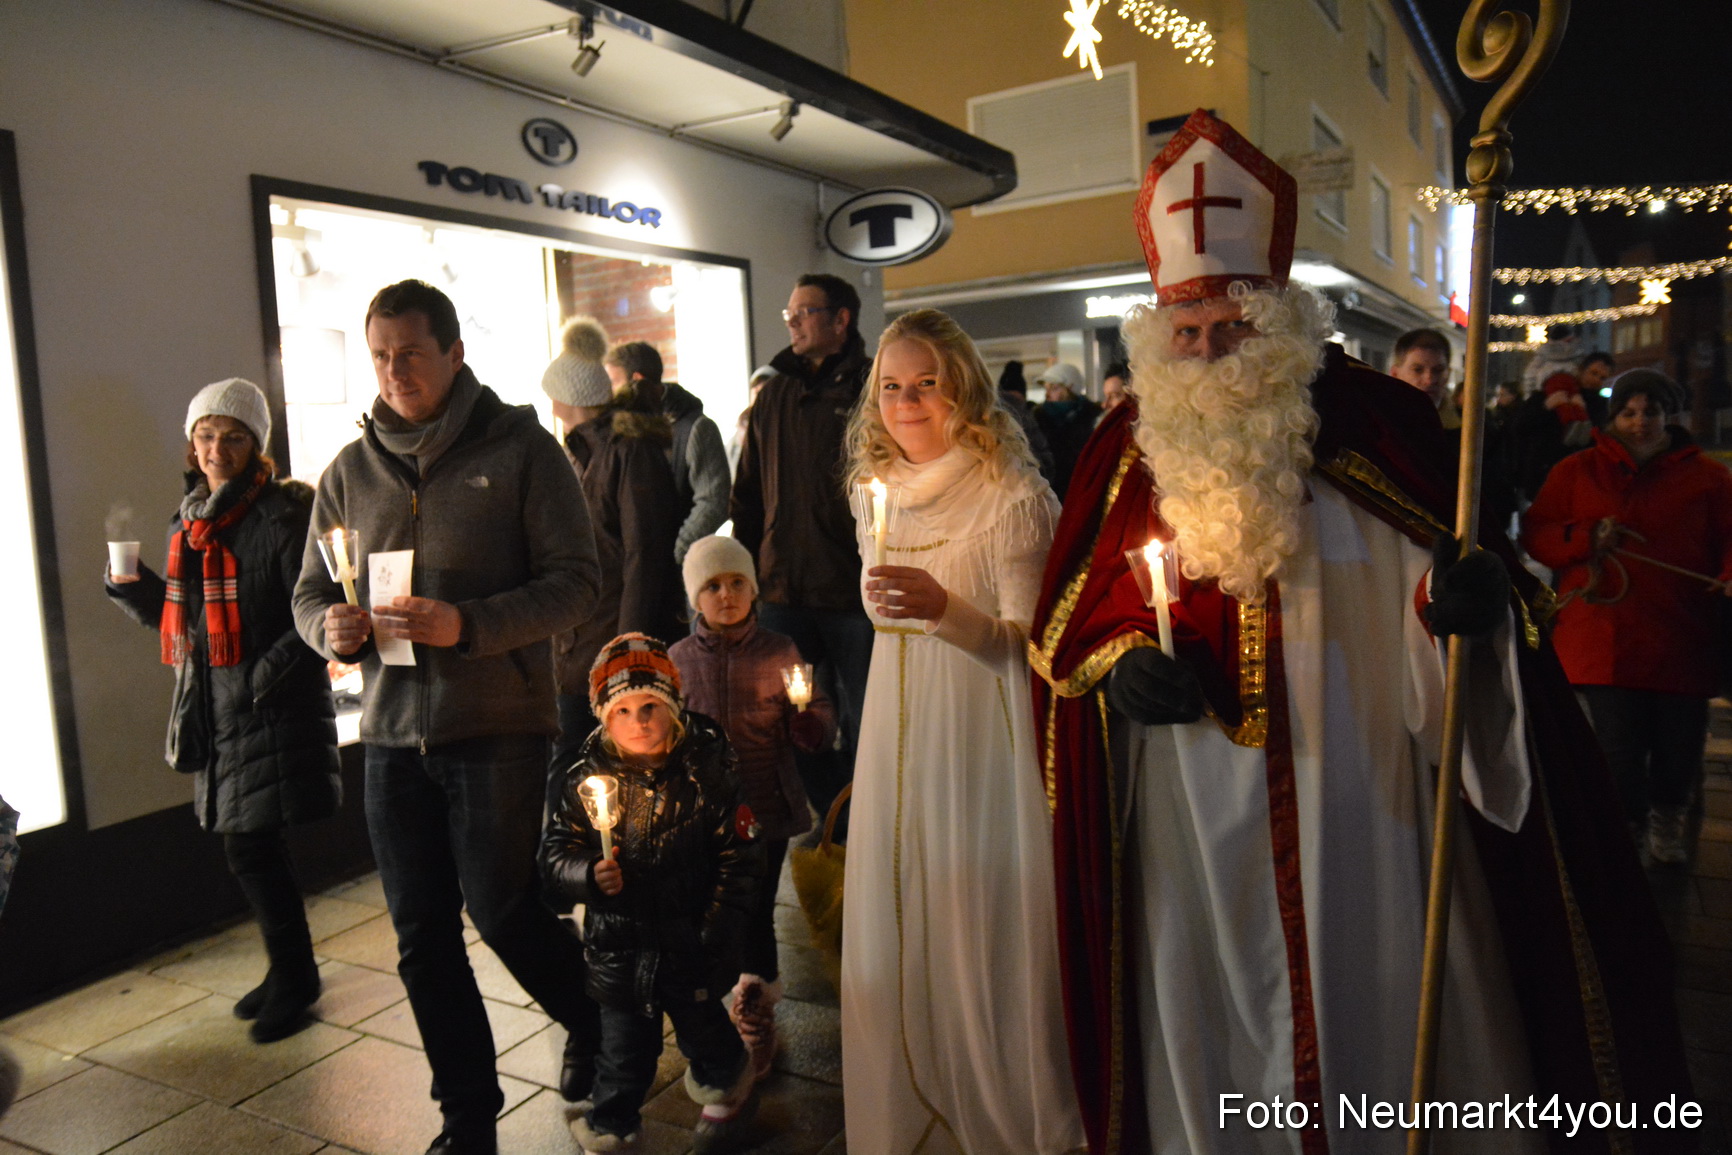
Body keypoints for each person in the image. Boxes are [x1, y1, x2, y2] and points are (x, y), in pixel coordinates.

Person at [1029, 110, 1690, 1154]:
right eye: (1185, 335)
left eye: (1231, 328)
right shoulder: (1122, 451)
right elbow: (1073, 618)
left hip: (1368, 789)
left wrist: (1454, 610)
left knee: (1377, 988)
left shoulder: (1376, 424)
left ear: (1278, 318)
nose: (1207, 356)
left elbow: (1452, 577)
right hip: (1191, 814)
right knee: (1206, 1000)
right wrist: (1116, 667)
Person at [292, 280, 603, 1155]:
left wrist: (468, 624)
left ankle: (598, 1019)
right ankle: (467, 1115)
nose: (395, 372)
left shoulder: (521, 450)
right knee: (423, 935)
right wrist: (331, 626)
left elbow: (579, 581)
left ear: (454, 353)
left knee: (502, 908)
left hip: (497, 720)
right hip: (391, 732)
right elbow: (311, 590)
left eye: (411, 353)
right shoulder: (349, 472)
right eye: (381, 355)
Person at [840, 308, 1084, 1153]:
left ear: (963, 390)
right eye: (891, 387)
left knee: (976, 913)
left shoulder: (1014, 497)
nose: (906, 403)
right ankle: (917, 1096)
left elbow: (1034, 650)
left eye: (926, 385)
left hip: (982, 735)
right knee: (906, 909)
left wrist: (948, 611)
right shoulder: (870, 492)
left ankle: (1003, 1104)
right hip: (895, 734)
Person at [107, 378, 339, 1044]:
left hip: (267, 704)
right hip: (217, 706)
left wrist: (260, 680)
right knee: (254, 846)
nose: (217, 448)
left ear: (255, 444)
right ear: (192, 443)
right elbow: (185, 625)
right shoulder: (192, 521)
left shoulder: (285, 514)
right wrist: (132, 589)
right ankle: (288, 968)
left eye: (233, 436)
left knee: (251, 846)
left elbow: (312, 612)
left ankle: (295, 978)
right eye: (206, 435)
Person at [541, 633, 763, 1154]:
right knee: (622, 1053)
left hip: (690, 945)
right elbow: (553, 856)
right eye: (621, 710)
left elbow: (740, 862)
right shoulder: (585, 780)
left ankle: (730, 1086)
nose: (638, 721)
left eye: (649, 707)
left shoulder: (706, 775)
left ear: (673, 708)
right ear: (602, 716)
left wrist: (711, 935)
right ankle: (612, 1126)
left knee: (704, 1034)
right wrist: (589, 875)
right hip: (619, 949)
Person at [1522, 369, 1732, 864]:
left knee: (1679, 748)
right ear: (1613, 417)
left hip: (1682, 633)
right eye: (1630, 413)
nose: (1641, 423)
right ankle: (1629, 829)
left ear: (1669, 415)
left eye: (1652, 412)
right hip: (1604, 638)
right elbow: (1539, 533)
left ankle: (1668, 817)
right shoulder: (1576, 471)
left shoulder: (1709, 477)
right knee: (1618, 750)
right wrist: (1585, 537)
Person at [667, 535, 834, 1081]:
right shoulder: (678, 661)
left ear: (754, 589)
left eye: (737, 582)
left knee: (758, 909)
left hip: (765, 807)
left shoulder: (779, 651)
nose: (727, 595)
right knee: (713, 909)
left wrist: (811, 725)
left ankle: (756, 1004)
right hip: (704, 817)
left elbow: (814, 711)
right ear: (696, 598)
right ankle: (714, 999)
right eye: (712, 586)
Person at [731, 273, 873, 823]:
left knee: (866, 718)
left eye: (805, 312)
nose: (791, 321)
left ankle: (873, 826)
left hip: (851, 590)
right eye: (789, 312)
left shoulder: (870, 389)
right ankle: (837, 819)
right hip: (782, 591)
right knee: (795, 720)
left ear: (841, 320)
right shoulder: (776, 396)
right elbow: (745, 495)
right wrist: (745, 572)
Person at [546, 327, 685, 770]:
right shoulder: (579, 454)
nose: (549, 404)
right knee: (576, 762)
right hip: (576, 639)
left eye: (553, 393)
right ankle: (576, 841)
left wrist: (628, 647)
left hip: (609, 641)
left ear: (569, 397)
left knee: (597, 762)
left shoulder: (628, 451)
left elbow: (643, 553)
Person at [603, 341, 728, 564]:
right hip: (640, 568)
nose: (609, 392)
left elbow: (713, 501)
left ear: (637, 380)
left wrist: (675, 553)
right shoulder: (625, 432)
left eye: (614, 382)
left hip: (684, 571)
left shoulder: (695, 428)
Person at [1033, 361, 1102, 498]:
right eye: (1046, 389)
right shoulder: (1037, 417)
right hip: (1049, 491)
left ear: (1071, 387)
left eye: (1054, 388)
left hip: (1084, 490)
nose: (1047, 394)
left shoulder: (1093, 415)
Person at [1390, 327, 1458, 429]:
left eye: (1438, 370)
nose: (1429, 380)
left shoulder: (1472, 431)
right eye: (1417, 370)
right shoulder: (1375, 428)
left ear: (1448, 374)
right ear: (1395, 374)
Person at [726, 366, 775, 476]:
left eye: (762, 389)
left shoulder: (778, 423)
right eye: (755, 389)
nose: (757, 392)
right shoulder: (743, 422)